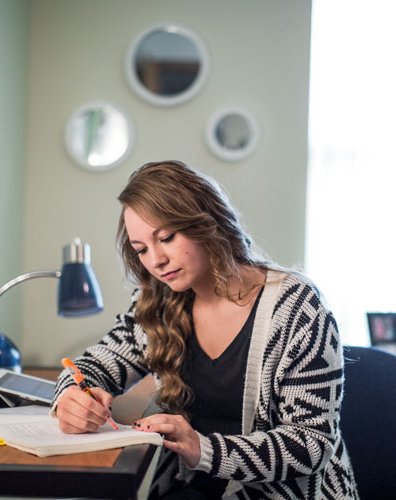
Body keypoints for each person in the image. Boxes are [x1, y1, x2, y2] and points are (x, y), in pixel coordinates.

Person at [52, 160, 359, 499]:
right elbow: (93, 365)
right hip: (196, 488)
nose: (155, 260)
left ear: (206, 223)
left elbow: (311, 445)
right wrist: (70, 396)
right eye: (141, 250)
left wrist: (204, 449)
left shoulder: (297, 307)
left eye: (166, 237)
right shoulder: (159, 302)